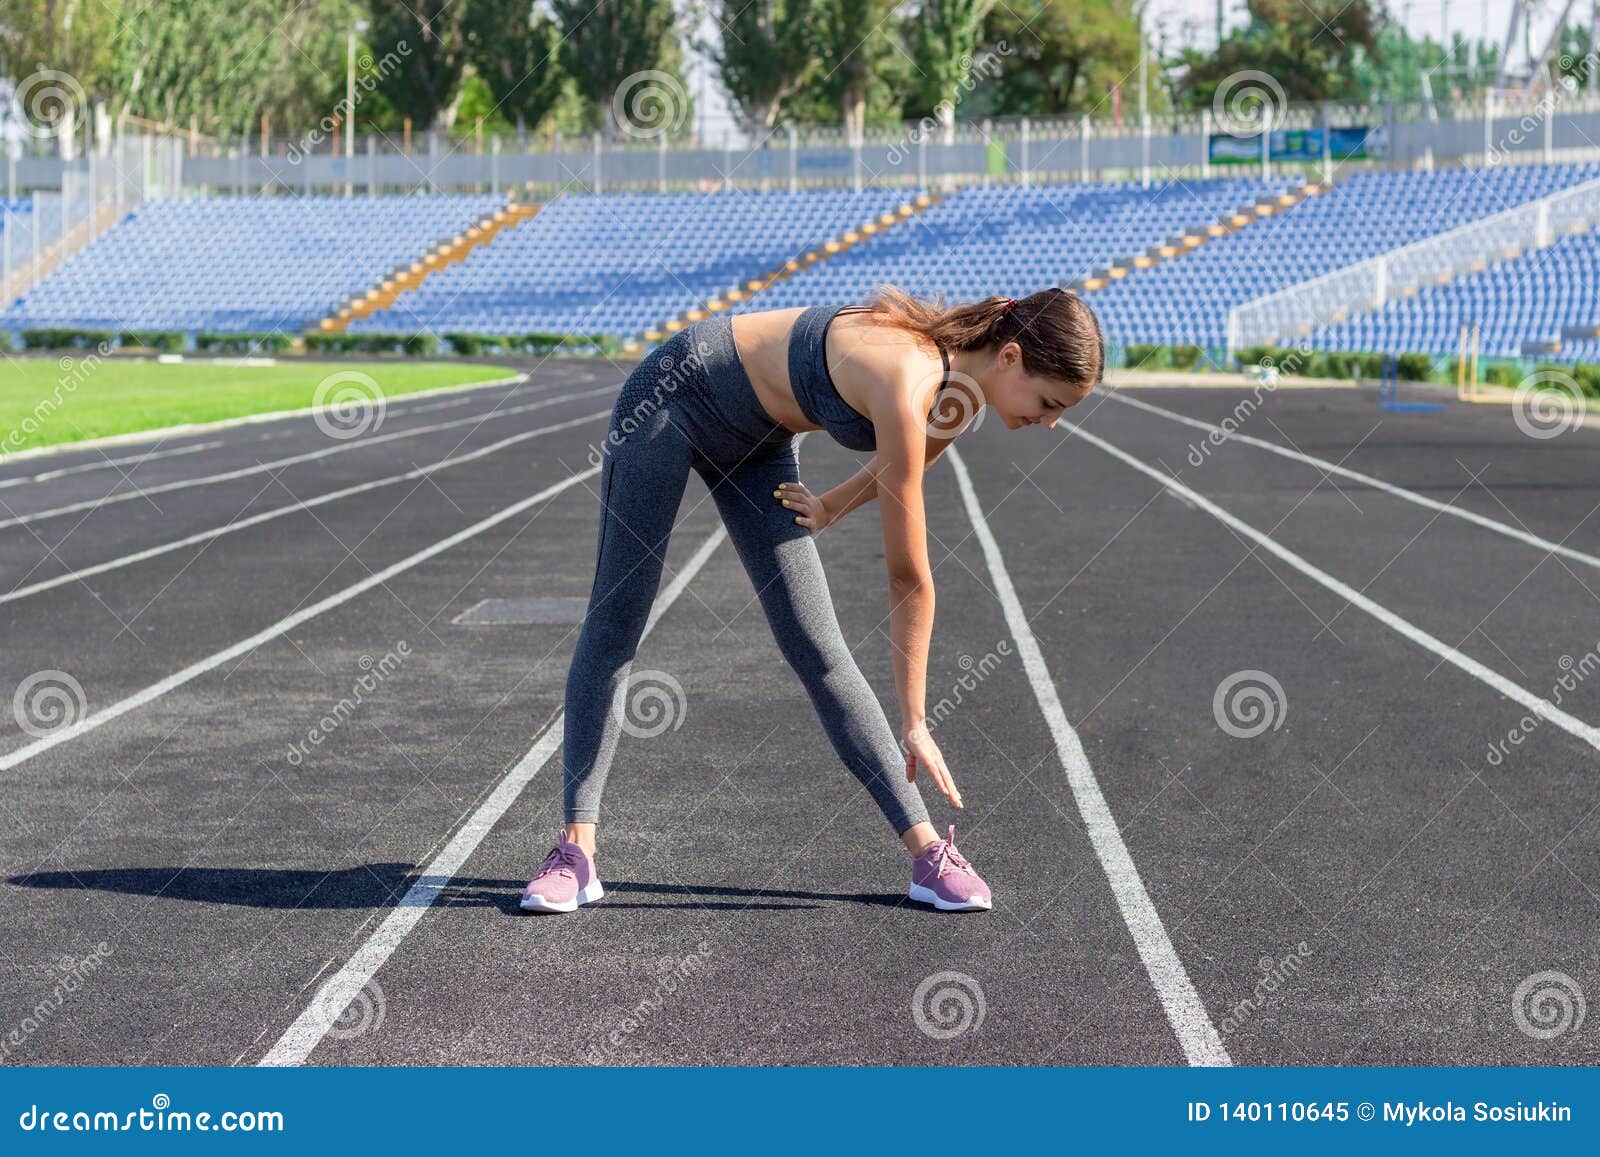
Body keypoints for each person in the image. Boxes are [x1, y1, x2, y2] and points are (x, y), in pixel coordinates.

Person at [521, 285, 1105, 914]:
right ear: (1011, 357)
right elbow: (908, 575)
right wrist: (915, 720)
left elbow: (897, 470)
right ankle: (575, 852)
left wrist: (827, 506)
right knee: (617, 622)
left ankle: (928, 852)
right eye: (1050, 403)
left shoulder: (957, 401)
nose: (1049, 422)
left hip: (759, 445)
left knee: (816, 644)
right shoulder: (907, 379)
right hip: (671, 401)